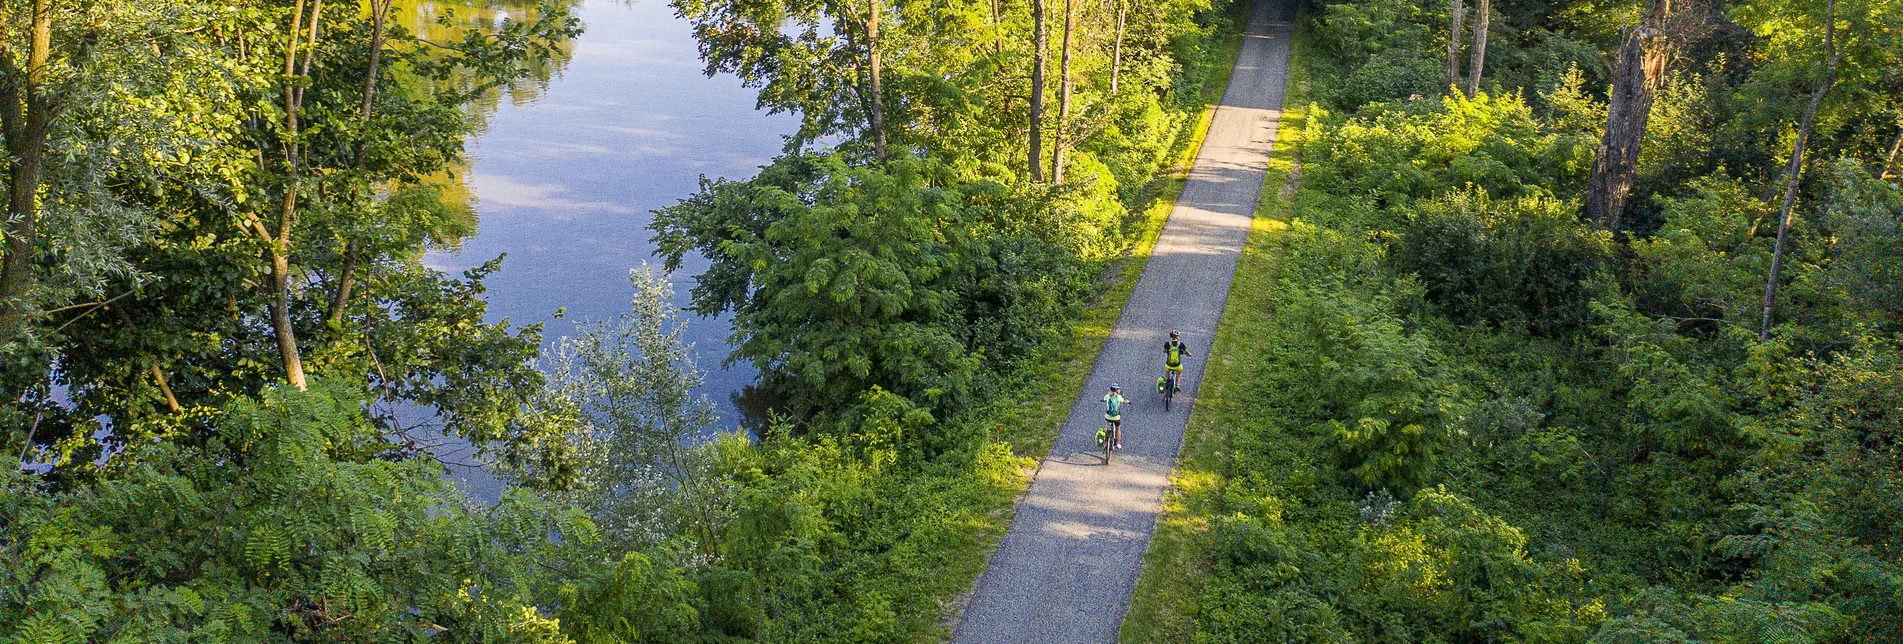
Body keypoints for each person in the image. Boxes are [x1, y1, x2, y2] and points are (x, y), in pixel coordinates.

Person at [1158, 330, 1193, 394]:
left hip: (1169, 365)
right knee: (1179, 373)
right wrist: (1189, 354)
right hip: (1177, 366)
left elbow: (1165, 350)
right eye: (1178, 336)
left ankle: (1168, 381)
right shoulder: (1181, 344)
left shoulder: (1167, 344)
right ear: (1176, 337)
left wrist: (1167, 351)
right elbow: (1187, 352)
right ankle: (1178, 385)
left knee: (1167, 370)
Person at [1103, 383, 1126, 450]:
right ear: (1117, 390)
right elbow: (1123, 401)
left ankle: (1106, 441)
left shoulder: (1107, 396)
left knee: (1107, 425)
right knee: (1118, 428)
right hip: (1116, 417)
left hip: (1108, 416)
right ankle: (1118, 443)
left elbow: (1104, 399)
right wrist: (1127, 401)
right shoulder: (1118, 397)